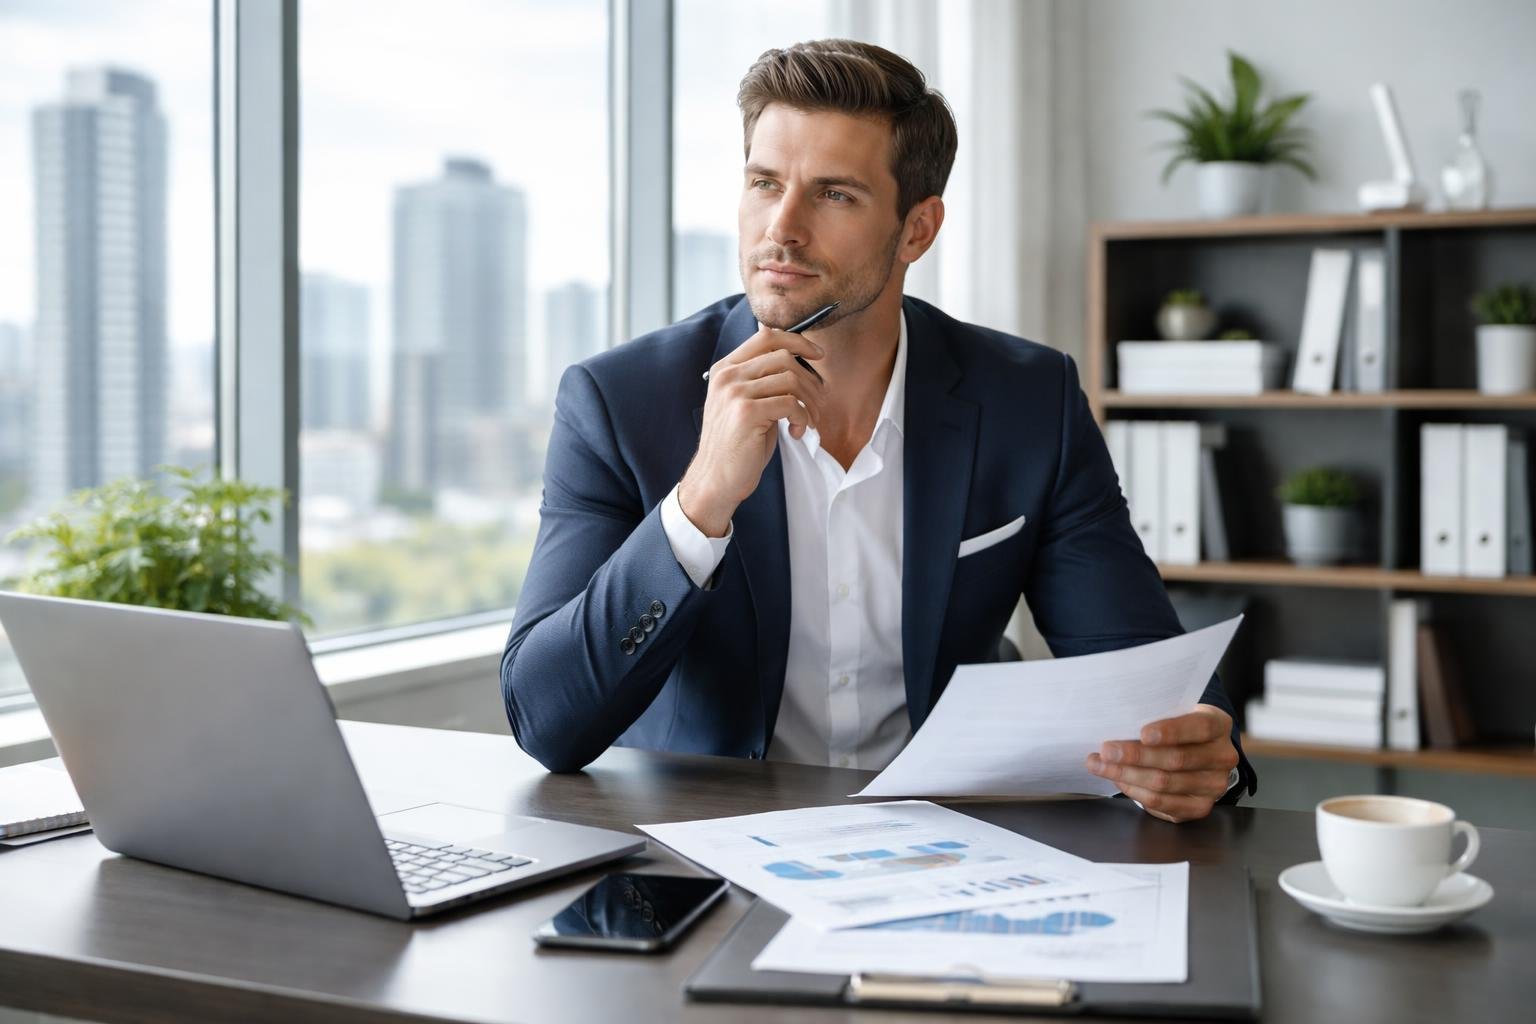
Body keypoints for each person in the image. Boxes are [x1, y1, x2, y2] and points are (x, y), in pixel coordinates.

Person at [501, 38, 1255, 822]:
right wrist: (698, 507)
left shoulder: (1030, 400)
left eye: (833, 194)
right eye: (764, 182)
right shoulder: (619, 402)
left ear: (917, 230)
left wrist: (1195, 752)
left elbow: (1142, 672)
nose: (781, 229)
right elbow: (545, 721)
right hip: (706, 857)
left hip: (952, 846)